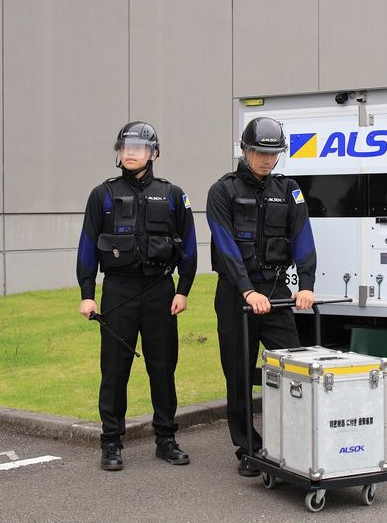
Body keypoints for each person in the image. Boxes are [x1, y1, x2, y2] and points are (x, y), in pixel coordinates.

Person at [76, 121, 197, 471]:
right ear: (118, 152)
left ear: (154, 154)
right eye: (125, 147)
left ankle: (166, 439)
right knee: (114, 370)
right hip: (118, 291)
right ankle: (111, 442)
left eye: (139, 148)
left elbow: (189, 246)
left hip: (161, 291)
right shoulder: (102, 195)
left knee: (163, 367)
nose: (130, 153)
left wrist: (183, 290)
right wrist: (87, 293)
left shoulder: (173, 194)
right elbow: (87, 247)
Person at [206, 117, 316, 477]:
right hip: (236, 294)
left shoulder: (289, 189)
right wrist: (247, 290)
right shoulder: (222, 191)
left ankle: (294, 441)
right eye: (259, 153)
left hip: (275, 290)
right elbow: (225, 245)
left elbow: (303, 236)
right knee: (238, 374)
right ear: (244, 150)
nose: (267, 160)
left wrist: (306, 285)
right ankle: (248, 448)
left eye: (273, 154)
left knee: (294, 367)